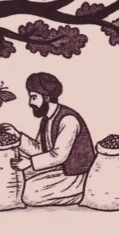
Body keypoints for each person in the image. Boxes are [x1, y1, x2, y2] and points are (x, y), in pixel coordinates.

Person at [19, 71, 97, 209]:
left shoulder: (68, 120)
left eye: (34, 97)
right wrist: (18, 138)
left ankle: (81, 194)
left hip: (75, 175)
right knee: (18, 178)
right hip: (57, 168)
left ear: (47, 97)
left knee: (28, 195)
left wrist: (29, 163)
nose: (30, 103)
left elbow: (59, 156)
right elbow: (41, 150)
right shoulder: (47, 119)